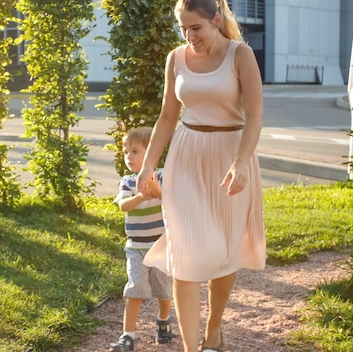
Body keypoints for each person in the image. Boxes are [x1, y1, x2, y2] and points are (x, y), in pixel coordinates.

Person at [136, 0, 266, 351]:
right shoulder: (176, 58)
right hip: (187, 155)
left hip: (230, 156)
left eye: (196, 28)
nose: (189, 36)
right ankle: (191, 349)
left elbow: (254, 116)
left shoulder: (240, 56)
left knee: (225, 250)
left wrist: (241, 162)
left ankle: (214, 328)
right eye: (183, 29)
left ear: (216, 20)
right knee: (184, 255)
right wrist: (149, 164)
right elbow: (166, 116)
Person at [110, 126, 178, 352]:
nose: (128, 156)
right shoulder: (127, 182)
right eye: (126, 151)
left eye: (135, 151)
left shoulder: (162, 175)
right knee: (135, 289)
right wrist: (140, 195)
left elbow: (169, 199)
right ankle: (127, 335)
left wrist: (155, 189)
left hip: (160, 246)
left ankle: (163, 321)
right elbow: (122, 206)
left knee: (163, 288)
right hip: (137, 248)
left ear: (151, 154)